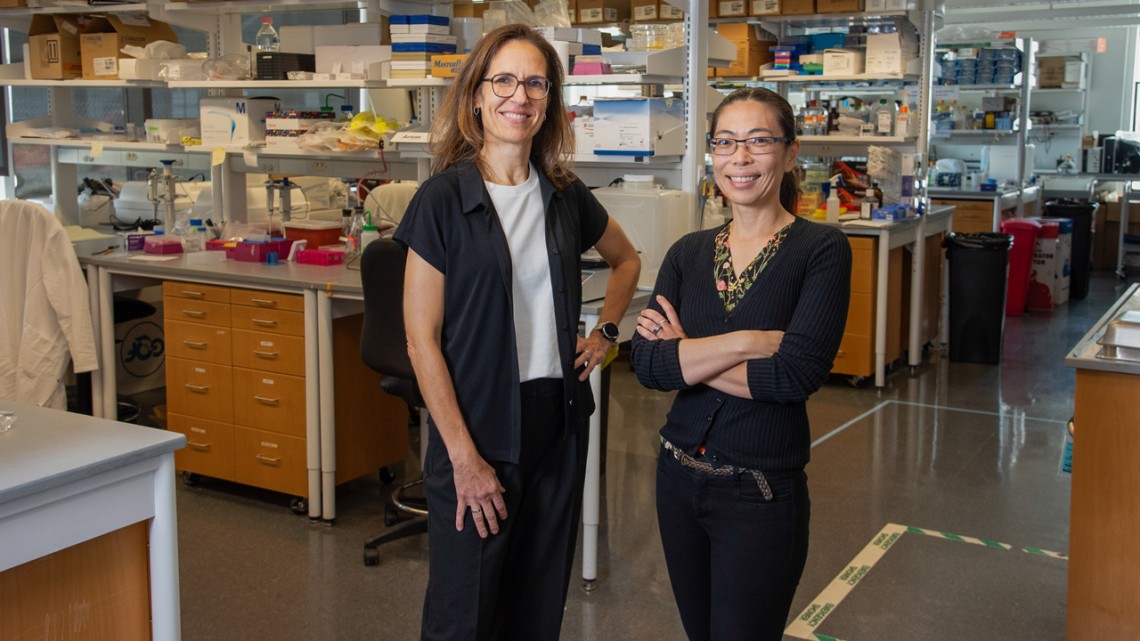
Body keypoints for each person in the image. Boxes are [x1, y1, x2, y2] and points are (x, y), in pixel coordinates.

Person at [393, 23, 640, 641]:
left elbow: (626, 260)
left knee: (537, 606)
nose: (519, 96)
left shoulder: (564, 194)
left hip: (555, 424)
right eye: (503, 80)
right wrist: (463, 458)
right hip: (476, 429)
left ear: (549, 101)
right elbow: (421, 340)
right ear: (477, 95)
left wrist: (606, 333)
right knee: (464, 615)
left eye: (535, 83)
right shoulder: (441, 200)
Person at [629, 87, 852, 641]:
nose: (740, 158)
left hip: (759, 491)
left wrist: (688, 350)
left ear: (791, 152)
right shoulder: (688, 252)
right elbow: (649, 364)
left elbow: (795, 375)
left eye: (759, 141)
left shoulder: (821, 250)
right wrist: (749, 341)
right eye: (726, 142)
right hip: (677, 479)